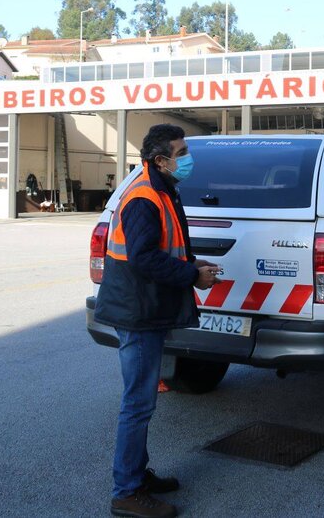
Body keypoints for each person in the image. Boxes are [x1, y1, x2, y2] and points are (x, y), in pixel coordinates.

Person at [94, 124, 220, 518]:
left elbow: (163, 246)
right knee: (138, 403)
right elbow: (144, 257)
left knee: (142, 401)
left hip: (145, 307)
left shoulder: (163, 187)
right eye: (181, 153)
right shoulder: (144, 198)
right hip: (137, 312)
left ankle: (136, 475)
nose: (187, 159)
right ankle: (127, 492)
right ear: (160, 160)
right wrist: (190, 276)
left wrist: (189, 262)